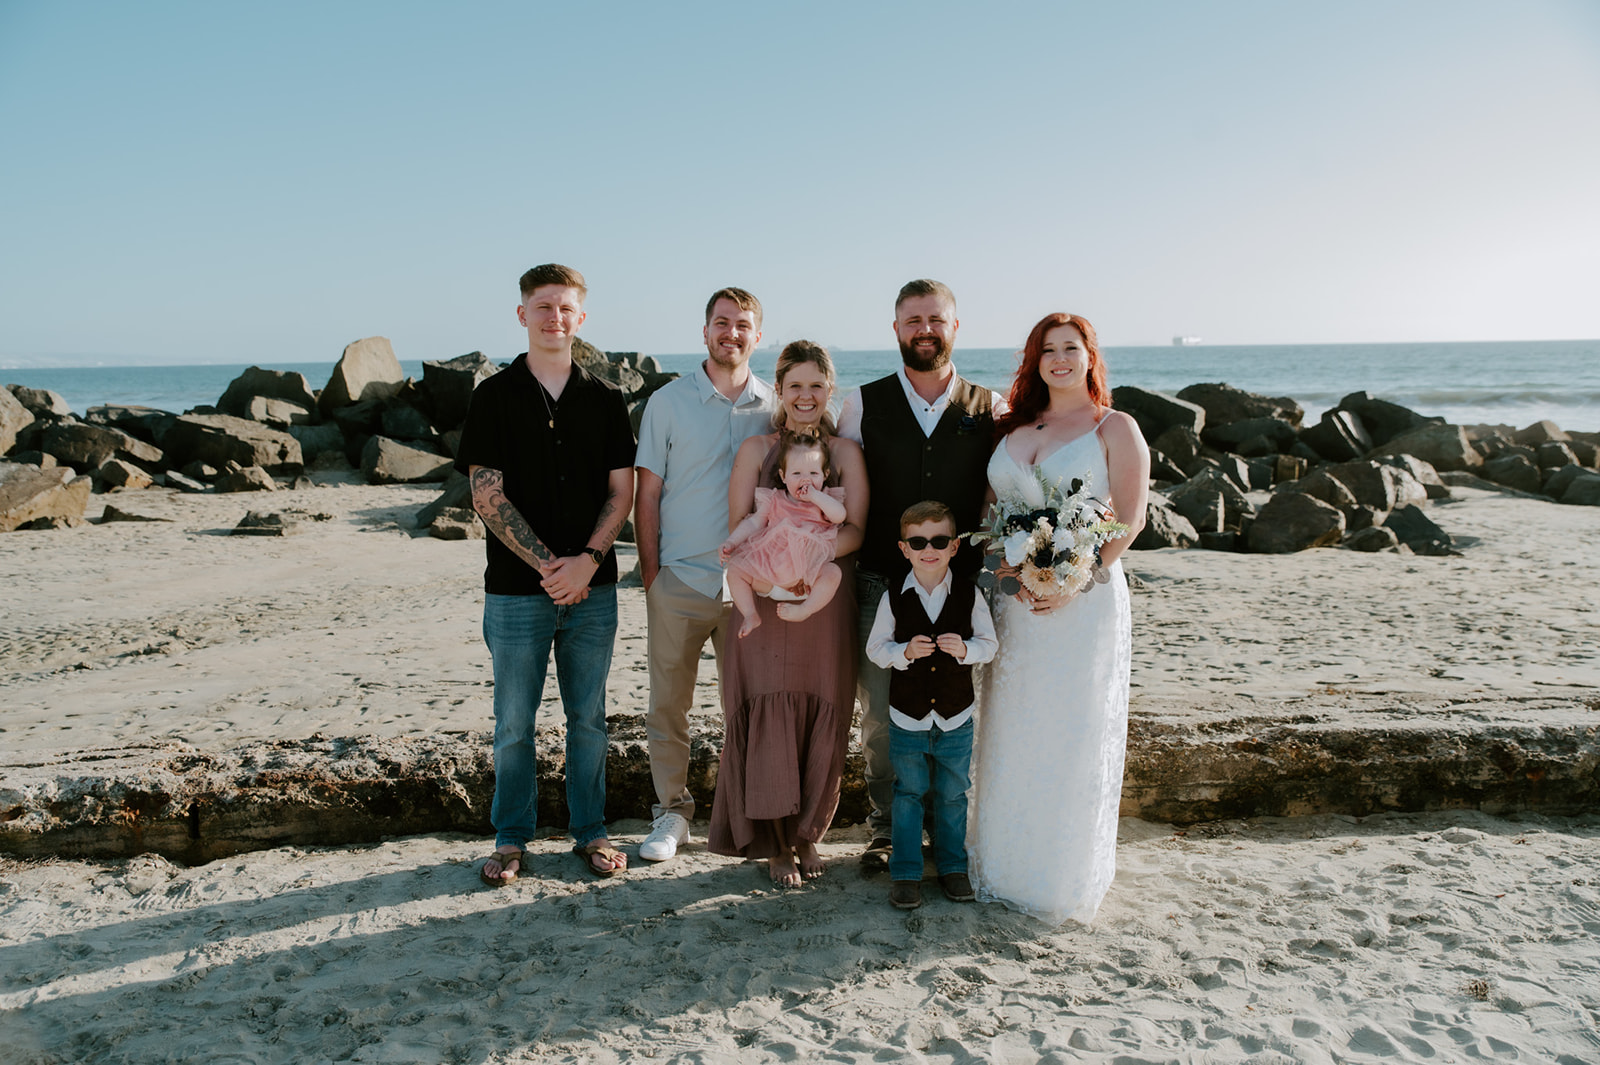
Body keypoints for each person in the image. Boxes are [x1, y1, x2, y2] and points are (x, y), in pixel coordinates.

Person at [457, 264, 636, 886]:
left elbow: (623, 489)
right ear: (522, 315)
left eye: (565, 308)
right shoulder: (493, 396)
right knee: (514, 723)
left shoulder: (607, 398)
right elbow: (486, 494)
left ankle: (590, 832)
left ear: (580, 317)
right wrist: (547, 567)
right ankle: (511, 838)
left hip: (595, 587)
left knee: (588, 719)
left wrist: (586, 560)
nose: (554, 317)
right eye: (542, 306)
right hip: (515, 592)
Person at [969, 312, 1149, 924]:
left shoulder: (1113, 426)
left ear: (1091, 357)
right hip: (1015, 602)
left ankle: (1055, 875)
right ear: (1035, 360)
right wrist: (1010, 575)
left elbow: (1130, 516)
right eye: (1048, 350)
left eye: (1072, 348)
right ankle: (1000, 863)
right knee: (1014, 724)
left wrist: (1074, 581)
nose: (1060, 359)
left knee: (1071, 729)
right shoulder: (1015, 428)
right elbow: (991, 514)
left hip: (1083, 603)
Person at [837, 279, 1006, 870]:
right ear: (896, 329)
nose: (924, 330)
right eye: (912, 320)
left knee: (954, 709)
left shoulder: (990, 407)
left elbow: (999, 496)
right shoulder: (860, 404)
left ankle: (943, 825)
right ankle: (887, 826)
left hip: (963, 590)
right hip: (881, 583)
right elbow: (837, 487)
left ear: (955, 327)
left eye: (935, 319)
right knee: (883, 714)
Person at [708, 341, 868, 887]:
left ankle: (807, 836)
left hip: (821, 598)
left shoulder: (845, 453)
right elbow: (739, 523)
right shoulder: (757, 449)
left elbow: (854, 529)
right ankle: (775, 843)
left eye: (816, 386)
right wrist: (774, 575)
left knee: (824, 709)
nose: (806, 396)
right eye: (795, 385)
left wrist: (810, 562)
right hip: (766, 598)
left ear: (830, 391)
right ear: (779, 389)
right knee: (768, 707)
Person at [633, 288, 777, 862]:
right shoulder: (667, 403)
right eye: (722, 323)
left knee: (749, 706)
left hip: (752, 587)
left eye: (743, 325)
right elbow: (648, 497)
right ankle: (672, 813)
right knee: (669, 705)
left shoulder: (775, 406)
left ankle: (745, 814)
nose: (732, 333)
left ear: (757, 336)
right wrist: (652, 576)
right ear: (705, 331)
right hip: (681, 583)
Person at [864, 501, 997, 910]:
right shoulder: (893, 596)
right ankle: (905, 873)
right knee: (908, 793)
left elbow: (989, 646)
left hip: (956, 716)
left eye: (939, 540)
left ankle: (952, 867)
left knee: (954, 793)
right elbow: (875, 650)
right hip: (908, 717)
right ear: (904, 548)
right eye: (918, 541)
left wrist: (965, 649)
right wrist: (903, 652)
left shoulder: (969, 593)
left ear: (954, 547)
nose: (929, 548)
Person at [719, 430, 846, 638]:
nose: (806, 480)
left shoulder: (823, 501)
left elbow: (839, 516)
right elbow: (753, 523)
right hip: (770, 570)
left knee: (833, 573)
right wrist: (731, 542)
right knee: (735, 570)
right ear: (783, 476)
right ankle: (750, 614)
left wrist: (815, 496)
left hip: (807, 574)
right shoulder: (775, 500)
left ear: (825, 475)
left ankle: (806, 609)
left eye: (813, 474)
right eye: (797, 474)